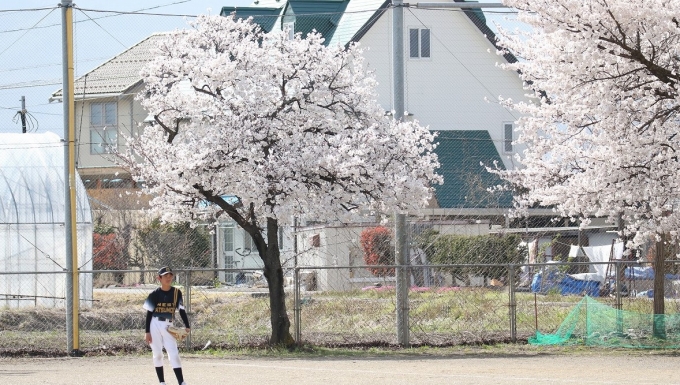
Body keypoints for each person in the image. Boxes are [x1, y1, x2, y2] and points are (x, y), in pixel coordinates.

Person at [144, 267, 190, 385]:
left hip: (169, 325)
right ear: (159, 278)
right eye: (165, 276)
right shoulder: (154, 294)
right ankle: (162, 382)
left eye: (170, 275)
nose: (168, 278)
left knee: (174, 353)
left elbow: (181, 310)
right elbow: (149, 313)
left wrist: (187, 325)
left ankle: (181, 382)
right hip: (154, 324)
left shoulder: (176, 292)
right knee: (158, 354)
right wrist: (147, 332)